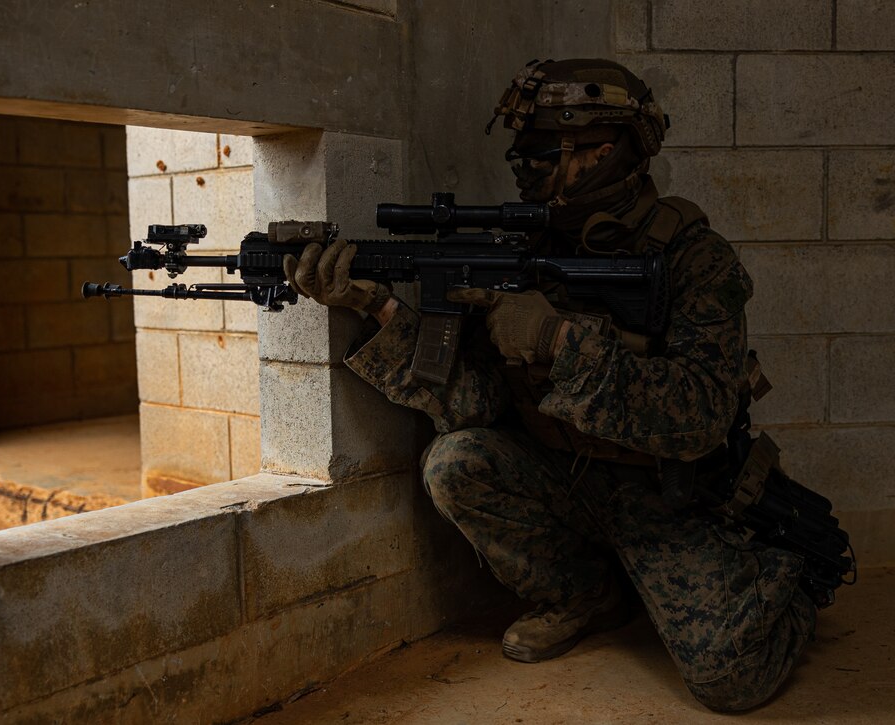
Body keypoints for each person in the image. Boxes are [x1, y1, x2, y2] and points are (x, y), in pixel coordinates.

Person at [282, 58, 816, 712]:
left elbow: (701, 414)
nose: (526, 172)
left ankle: (780, 579)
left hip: (669, 496)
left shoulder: (693, 258)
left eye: (542, 155)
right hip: (561, 474)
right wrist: (378, 309)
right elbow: (475, 404)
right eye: (523, 156)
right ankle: (587, 593)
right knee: (455, 462)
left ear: (606, 151)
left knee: (730, 680)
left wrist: (556, 340)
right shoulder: (519, 247)